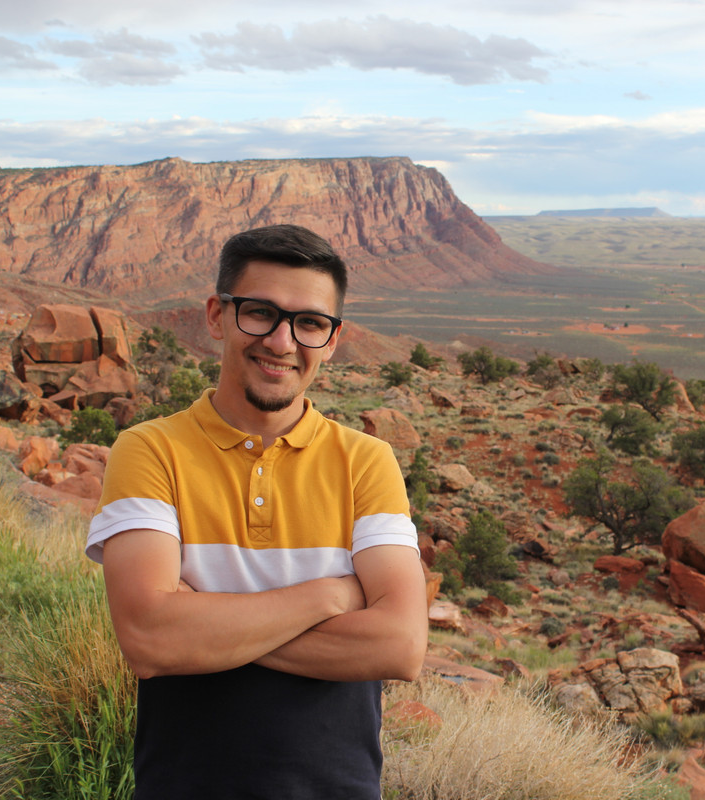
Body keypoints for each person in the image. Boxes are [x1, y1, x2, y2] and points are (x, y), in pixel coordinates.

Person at [85, 224, 429, 799]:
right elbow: (149, 639)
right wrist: (331, 596)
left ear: (332, 339)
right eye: (261, 313)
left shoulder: (365, 461)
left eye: (309, 323)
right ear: (217, 316)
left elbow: (400, 646)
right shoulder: (151, 451)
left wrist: (202, 628)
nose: (282, 342)